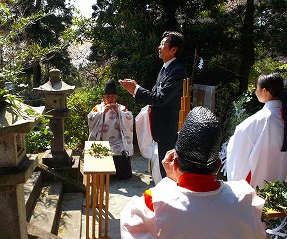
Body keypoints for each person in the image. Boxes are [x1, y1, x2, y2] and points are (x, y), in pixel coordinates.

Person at [120, 106, 266, 239]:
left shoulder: (156, 202)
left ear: (175, 164)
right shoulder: (246, 198)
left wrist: (170, 180)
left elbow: (129, 225)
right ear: (218, 167)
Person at [119, 31, 187, 178]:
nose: (159, 47)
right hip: (160, 126)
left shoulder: (177, 71)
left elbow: (160, 99)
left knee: (168, 169)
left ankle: (168, 198)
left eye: (163, 44)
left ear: (174, 49)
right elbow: (155, 95)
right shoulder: (165, 69)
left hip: (168, 127)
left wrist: (137, 89)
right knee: (163, 165)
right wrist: (135, 91)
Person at [226, 73, 287, 188]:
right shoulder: (282, 116)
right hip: (281, 188)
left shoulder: (258, 120)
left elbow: (238, 155)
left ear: (264, 91)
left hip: (257, 188)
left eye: (256, 88)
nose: (255, 92)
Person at [87, 80, 134, 179]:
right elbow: (91, 118)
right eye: (108, 96)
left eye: (113, 96)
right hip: (102, 140)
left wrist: (119, 113)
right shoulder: (98, 108)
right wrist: (102, 113)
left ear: (116, 97)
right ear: (104, 97)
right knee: (100, 149)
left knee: (120, 149)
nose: (110, 98)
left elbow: (129, 118)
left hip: (117, 140)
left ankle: (121, 174)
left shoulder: (122, 109)